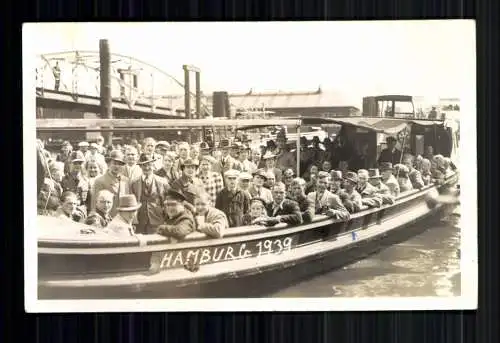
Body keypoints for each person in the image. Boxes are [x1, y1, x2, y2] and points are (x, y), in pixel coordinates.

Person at [130, 154, 171, 234]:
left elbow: (168, 201)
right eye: (144, 165)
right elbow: (132, 204)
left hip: (157, 220)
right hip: (140, 221)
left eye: (149, 165)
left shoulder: (162, 182)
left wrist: (167, 218)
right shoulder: (134, 183)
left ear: (153, 165)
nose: (146, 168)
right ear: (140, 167)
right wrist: (133, 221)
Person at [92, 150, 130, 217]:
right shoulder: (100, 181)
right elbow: (94, 204)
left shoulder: (126, 181)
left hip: (123, 218)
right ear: (109, 164)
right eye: (114, 163)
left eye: (120, 164)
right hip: (106, 219)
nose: (117, 166)